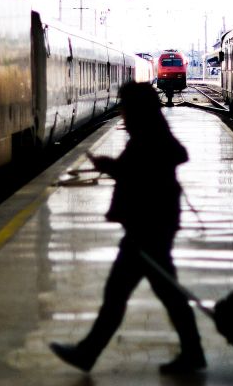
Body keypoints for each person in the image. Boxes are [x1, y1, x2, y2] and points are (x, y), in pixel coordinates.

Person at [49, 81, 206, 375]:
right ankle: (191, 351)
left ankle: (88, 353)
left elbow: (157, 163)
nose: (122, 111)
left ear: (136, 109)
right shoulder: (150, 133)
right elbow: (151, 164)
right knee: (153, 292)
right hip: (150, 226)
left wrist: (111, 166)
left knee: (125, 294)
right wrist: (115, 167)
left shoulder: (149, 136)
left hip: (148, 229)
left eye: (125, 106)